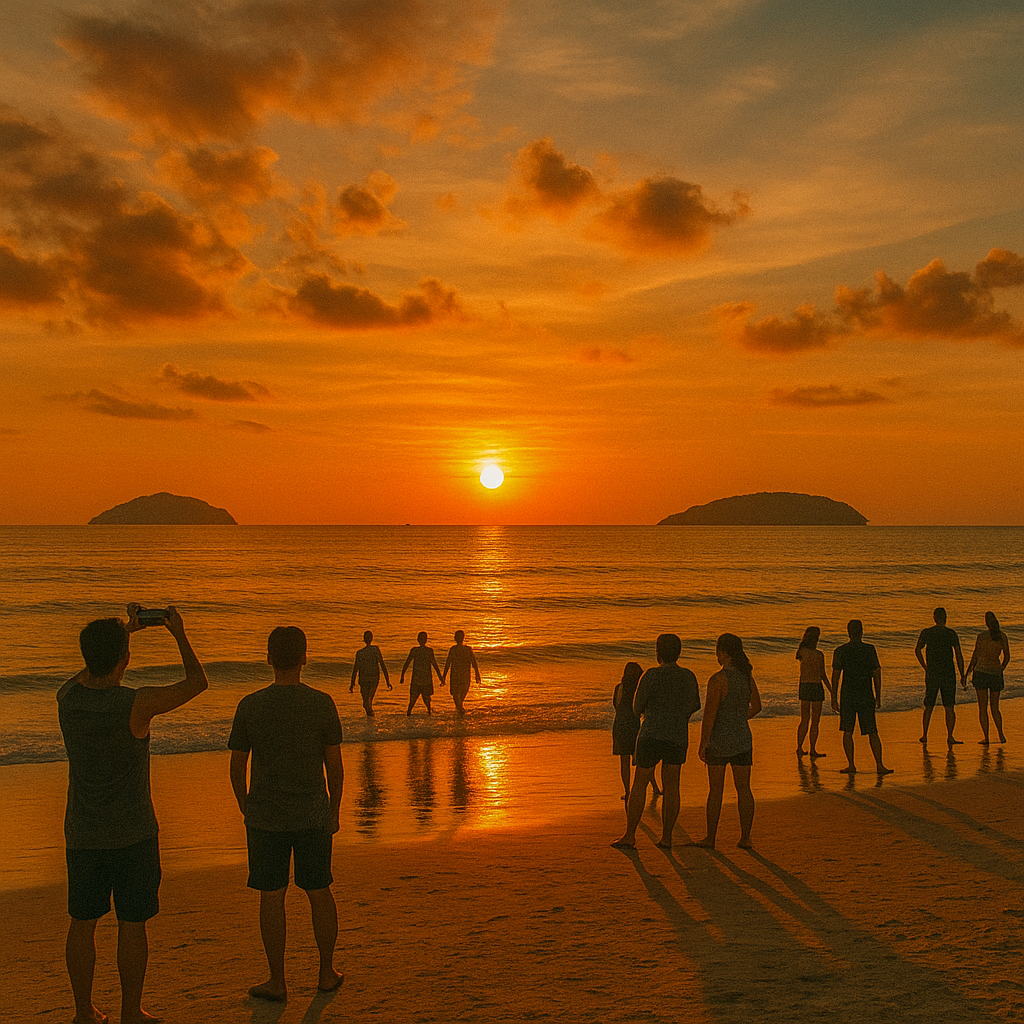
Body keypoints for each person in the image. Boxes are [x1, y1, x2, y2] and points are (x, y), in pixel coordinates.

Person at [58, 605, 208, 1024]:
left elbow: (87, 671)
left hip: (83, 833)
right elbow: (198, 682)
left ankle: (83, 1012)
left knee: (82, 922)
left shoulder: (66, 699)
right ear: (125, 658)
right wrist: (177, 633)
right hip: (133, 833)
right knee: (132, 923)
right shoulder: (136, 704)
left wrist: (125, 632)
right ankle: (130, 1011)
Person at [228, 627, 344, 1002]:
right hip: (312, 812)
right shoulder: (322, 702)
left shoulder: (251, 704)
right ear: (304, 658)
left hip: (266, 815)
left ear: (268, 658)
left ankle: (277, 979)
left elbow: (237, 765)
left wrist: (245, 804)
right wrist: (335, 809)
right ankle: (326, 972)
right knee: (319, 890)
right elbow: (334, 767)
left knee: (271, 895)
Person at [612, 634, 699, 851]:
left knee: (639, 783)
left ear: (658, 652)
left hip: (650, 733)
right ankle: (667, 837)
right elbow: (694, 705)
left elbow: (636, 707)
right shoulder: (688, 676)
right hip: (677, 734)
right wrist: (679, 715)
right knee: (672, 785)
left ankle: (630, 835)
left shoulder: (650, 676)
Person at [692, 633, 762, 850]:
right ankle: (746, 837)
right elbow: (757, 707)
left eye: (718, 651)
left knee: (716, 791)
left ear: (724, 652)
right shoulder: (746, 677)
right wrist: (739, 717)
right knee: (744, 789)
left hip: (720, 739)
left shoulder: (718, 680)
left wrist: (703, 742)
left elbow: (710, 715)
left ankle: (711, 837)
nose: (716, 655)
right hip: (742, 737)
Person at [831, 619, 893, 775]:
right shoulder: (869, 649)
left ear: (848, 632)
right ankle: (879, 765)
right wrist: (878, 695)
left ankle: (851, 764)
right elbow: (876, 673)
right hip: (866, 694)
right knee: (872, 731)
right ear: (861, 632)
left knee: (847, 731)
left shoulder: (840, 651)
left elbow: (836, 676)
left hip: (848, 695)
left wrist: (833, 697)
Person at [915, 607, 965, 747]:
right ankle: (950, 736)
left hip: (932, 673)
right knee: (949, 706)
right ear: (945, 618)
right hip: (948, 673)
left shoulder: (927, 632)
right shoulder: (951, 633)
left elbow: (917, 650)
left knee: (929, 705)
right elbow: (959, 655)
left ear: (934, 618)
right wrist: (962, 674)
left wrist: (925, 666)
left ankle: (925, 734)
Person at [965, 611, 1010, 745]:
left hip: (981, 673)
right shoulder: (1002, 636)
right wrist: (1000, 668)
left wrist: (967, 673)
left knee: (982, 708)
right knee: (995, 707)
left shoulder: (981, 636)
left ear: (986, 623)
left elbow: (975, 657)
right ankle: (1001, 735)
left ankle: (987, 737)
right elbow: (1007, 657)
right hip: (995, 673)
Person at [795, 626, 832, 758]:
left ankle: (799, 747)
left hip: (804, 686)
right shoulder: (819, 655)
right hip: (816, 686)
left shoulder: (801, 652)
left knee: (804, 719)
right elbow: (823, 675)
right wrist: (832, 690)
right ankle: (812, 749)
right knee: (815, 721)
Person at [611, 662, 644, 801]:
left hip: (619, 725)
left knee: (624, 761)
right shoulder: (638, 690)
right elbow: (641, 709)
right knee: (641, 759)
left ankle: (627, 790)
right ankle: (648, 786)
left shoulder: (619, 688)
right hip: (633, 725)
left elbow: (616, 705)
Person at [349, 630, 391, 717]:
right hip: (371, 678)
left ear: (364, 639)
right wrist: (387, 680)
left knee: (366, 700)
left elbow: (355, 668)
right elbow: (382, 665)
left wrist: (352, 682)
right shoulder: (374, 650)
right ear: (371, 638)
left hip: (367, 678)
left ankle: (370, 718)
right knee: (368, 699)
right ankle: (370, 716)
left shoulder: (360, 653)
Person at [401, 631, 442, 715]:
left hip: (416, 679)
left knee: (412, 700)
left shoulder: (414, 650)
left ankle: (409, 713)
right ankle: (429, 712)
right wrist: (440, 677)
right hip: (426, 679)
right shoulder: (429, 651)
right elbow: (435, 665)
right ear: (426, 640)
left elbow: (407, 663)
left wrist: (402, 675)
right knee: (426, 699)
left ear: (418, 640)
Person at [441, 630, 481, 715]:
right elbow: (474, 663)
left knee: (456, 694)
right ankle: (460, 709)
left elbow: (448, 663)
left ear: (455, 638)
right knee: (462, 693)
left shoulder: (453, 649)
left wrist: (443, 676)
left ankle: (459, 709)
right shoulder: (467, 649)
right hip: (465, 675)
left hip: (455, 675)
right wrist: (477, 674)